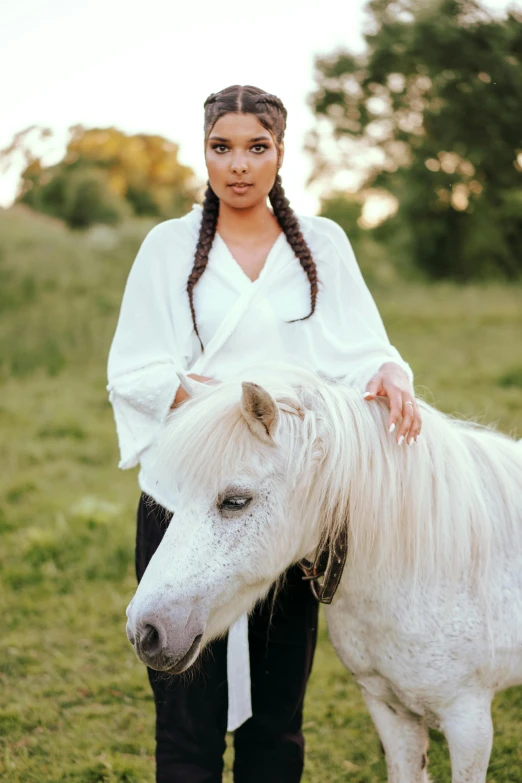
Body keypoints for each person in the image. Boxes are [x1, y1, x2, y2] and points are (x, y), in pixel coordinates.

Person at [107, 84, 422, 783]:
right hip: (186, 493)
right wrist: (217, 405)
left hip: (281, 505)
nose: (239, 164)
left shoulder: (323, 243)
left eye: (257, 147)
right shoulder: (167, 247)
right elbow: (133, 368)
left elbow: (363, 343)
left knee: (277, 723)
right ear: (206, 152)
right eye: (223, 147)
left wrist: (391, 373)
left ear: (282, 153)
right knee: (184, 721)